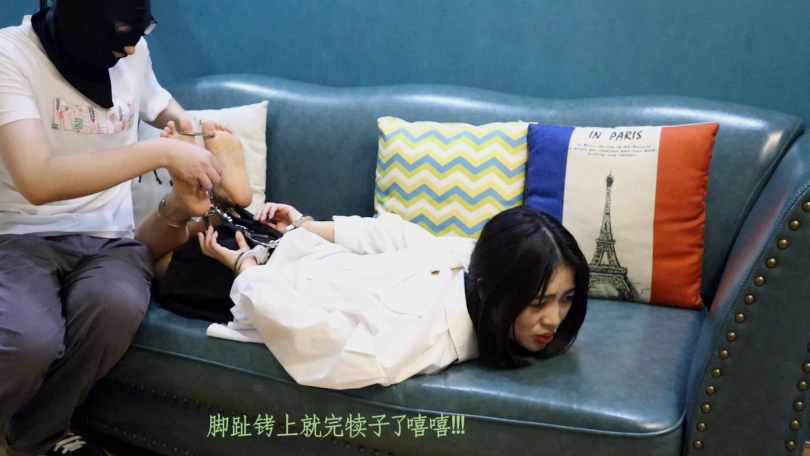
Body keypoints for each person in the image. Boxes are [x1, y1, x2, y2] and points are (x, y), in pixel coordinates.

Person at [0, 0, 253, 455]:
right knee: (28, 341)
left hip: (108, 241)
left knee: (114, 307)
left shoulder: (132, 52)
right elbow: (37, 181)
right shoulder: (10, 57)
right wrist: (161, 152)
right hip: (19, 234)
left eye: (140, 32)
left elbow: (164, 109)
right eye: (121, 35)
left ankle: (40, 435)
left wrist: (198, 136)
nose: (132, 48)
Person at [195, 199, 590, 390]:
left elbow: (304, 332)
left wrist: (247, 270)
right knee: (214, 212)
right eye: (539, 302)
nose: (554, 320)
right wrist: (308, 226)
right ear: (489, 288)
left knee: (182, 245)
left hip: (256, 284)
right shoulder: (476, 262)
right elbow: (396, 235)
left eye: (566, 298)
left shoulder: (412, 341)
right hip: (296, 251)